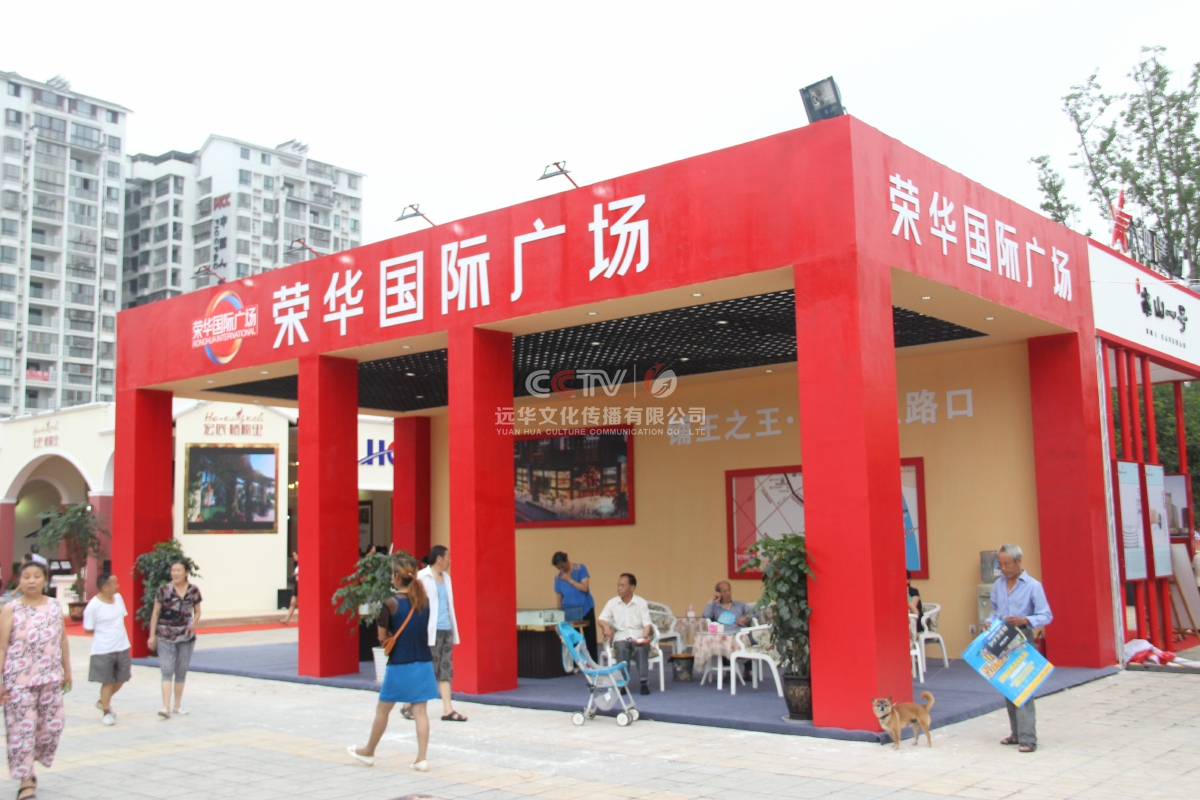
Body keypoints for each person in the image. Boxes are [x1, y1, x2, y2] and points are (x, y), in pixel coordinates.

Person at [348, 556, 438, 772]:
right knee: (420, 712)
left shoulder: (390, 604)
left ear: (397, 577)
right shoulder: (423, 601)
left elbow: (382, 637)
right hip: (423, 662)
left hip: (399, 663)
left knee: (383, 710)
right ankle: (421, 759)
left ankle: (369, 751)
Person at [0, 560, 71, 798]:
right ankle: (26, 780)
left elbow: (63, 640)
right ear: (19, 580)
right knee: (22, 730)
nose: (31, 580)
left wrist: (67, 671)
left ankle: (30, 761)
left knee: (53, 725)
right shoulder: (11, 609)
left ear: (45, 580)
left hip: (50, 678)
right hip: (18, 681)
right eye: (26, 576)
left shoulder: (54, 606)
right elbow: (1, 646)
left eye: (36, 576)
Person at [987, 543, 1052, 754]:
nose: (1004, 568)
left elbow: (1046, 615)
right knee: (1008, 686)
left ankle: (1028, 738)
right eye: (1000, 564)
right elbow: (995, 611)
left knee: (1023, 687)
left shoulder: (1033, 586)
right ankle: (1015, 733)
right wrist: (989, 622)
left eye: (1007, 564)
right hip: (1002, 637)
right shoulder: (998, 585)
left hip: (1023, 637)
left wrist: (1024, 620)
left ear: (1018, 562)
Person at [406, 546, 466, 722]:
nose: (450, 561)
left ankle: (448, 709)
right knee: (426, 669)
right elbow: (414, 604)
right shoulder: (422, 577)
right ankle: (409, 704)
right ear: (439, 559)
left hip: (446, 630)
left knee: (445, 670)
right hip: (429, 632)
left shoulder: (446, 578)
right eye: (448, 557)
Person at [147, 559, 202, 719]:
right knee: (166, 669)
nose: (175, 573)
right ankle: (166, 706)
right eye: (173, 570)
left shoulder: (193, 590)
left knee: (181, 670)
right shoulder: (163, 590)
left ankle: (177, 705)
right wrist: (152, 635)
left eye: (178, 570)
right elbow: (155, 613)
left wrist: (195, 622)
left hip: (186, 636)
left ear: (186, 572)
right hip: (165, 634)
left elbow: (197, 610)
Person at [83, 573, 131, 726]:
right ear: (104, 587)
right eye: (114, 583)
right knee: (107, 681)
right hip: (103, 649)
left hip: (122, 646)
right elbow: (88, 628)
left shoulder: (118, 598)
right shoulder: (93, 606)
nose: (118, 586)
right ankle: (106, 711)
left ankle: (102, 701)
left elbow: (122, 617)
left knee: (122, 678)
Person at [598, 573, 654, 695]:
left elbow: (647, 624)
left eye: (622, 585)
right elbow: (601, 619)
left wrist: (644, 638)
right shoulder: (612, 603)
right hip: (621, 636)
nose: (619, 588)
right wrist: (606, 627)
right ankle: (622, 683)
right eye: (618, 585)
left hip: (638, 636)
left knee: (640, 649)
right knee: (622, 648)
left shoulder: (641, 602)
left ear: (632, 588)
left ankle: (643, 682)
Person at [552, 551, 597, 660]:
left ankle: (593, 662)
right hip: (570, 611)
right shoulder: (558, 578)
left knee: (590, 637)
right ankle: (578, 662)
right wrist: (560, 614)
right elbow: (559, 598)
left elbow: (585, 588)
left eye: (562, 566)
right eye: (559, 568)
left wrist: (570, 580)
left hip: (585, 607)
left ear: (567, 560)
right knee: (574, 638)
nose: (562, 569)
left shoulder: (580, 568)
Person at [282, 551, 299, 625]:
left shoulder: (304, 564)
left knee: (297, 603)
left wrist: (297, 574)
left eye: (295, 555)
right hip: (297, 584)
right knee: (293, 602)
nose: (294, 557)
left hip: (301, 584)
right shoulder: (297, 565)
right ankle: (286, 619)